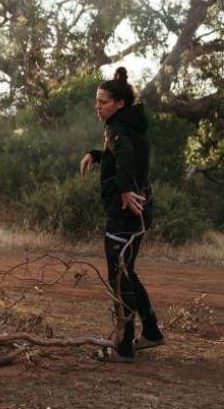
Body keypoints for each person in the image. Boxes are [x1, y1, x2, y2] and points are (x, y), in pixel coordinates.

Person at [79, 67, 165, 363]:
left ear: (119, 104)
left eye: (103, 102)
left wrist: (125, 191)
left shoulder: (118, 129)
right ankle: (151, 332)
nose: (98, 107)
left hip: (127, 214)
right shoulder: (129, 126)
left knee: (118, 276)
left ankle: (124, 346)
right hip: (139, 212)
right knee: (127, 272)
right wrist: (96, 153)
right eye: (97, 101)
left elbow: (126, 157)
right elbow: (122, 154)